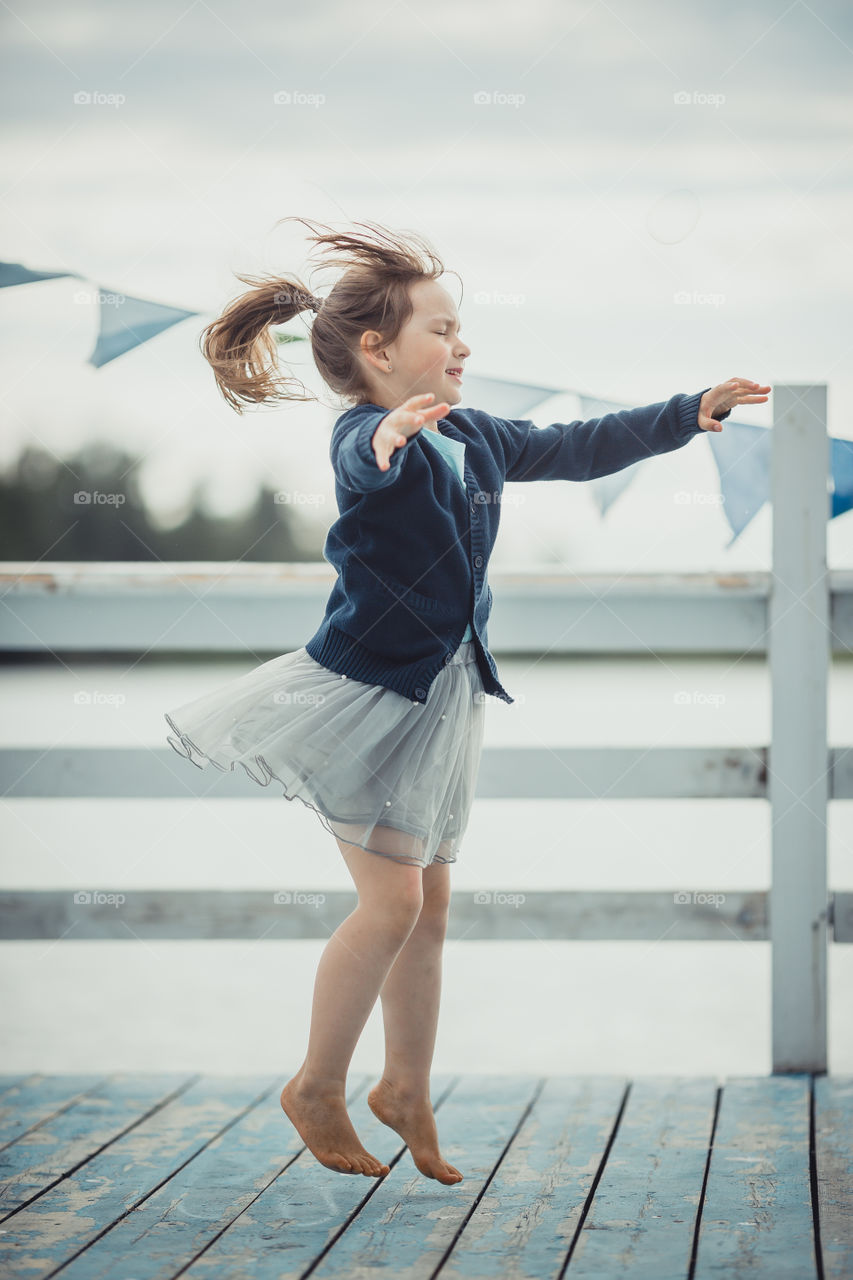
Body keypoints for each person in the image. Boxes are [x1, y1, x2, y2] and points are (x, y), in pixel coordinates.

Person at [164, 216, 771, 1184]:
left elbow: (577, 443)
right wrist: (392, 430)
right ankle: (316, 1081)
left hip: (439, 696)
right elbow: (365, 463)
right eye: (441, 330)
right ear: (377, 349)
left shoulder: (476, 435)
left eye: (459, 330)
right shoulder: (365, 433)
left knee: (428, 905)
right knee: (392, 899)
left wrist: (684, 409)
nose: (462, 346)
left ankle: (404, 1085)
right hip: (363, 695)